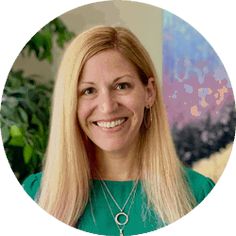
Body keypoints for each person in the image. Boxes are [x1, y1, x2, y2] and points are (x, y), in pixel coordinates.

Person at [22, 26, 215, 235]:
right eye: (88, 91)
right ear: (71, 103)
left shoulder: (198, 195)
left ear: (149, 92)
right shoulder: (37, 195)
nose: (107, 106)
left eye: (121, 86)